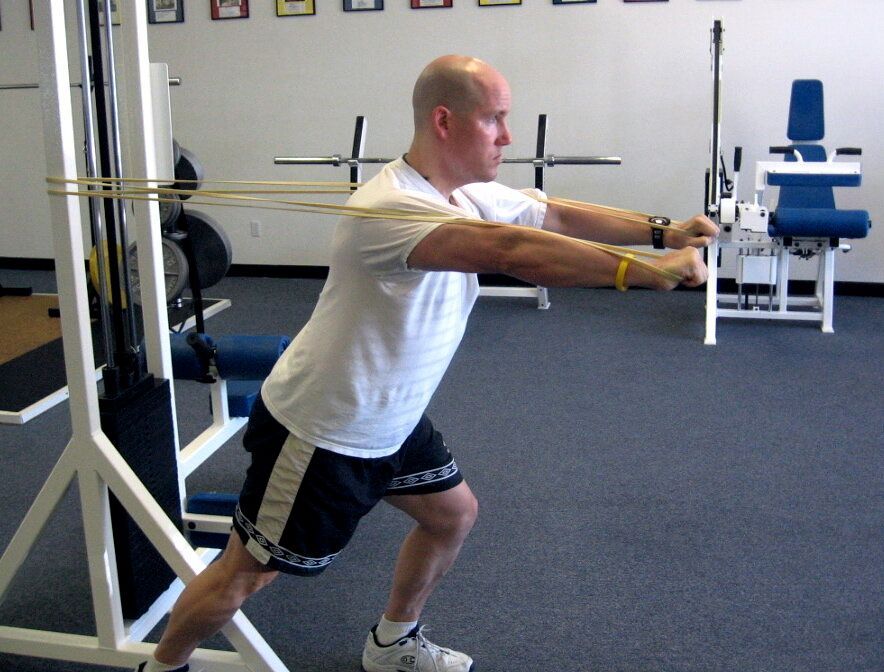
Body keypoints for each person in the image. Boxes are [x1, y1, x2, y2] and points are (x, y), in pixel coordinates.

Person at [135, 54, 717, 672]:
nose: (508, 136)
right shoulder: (389, 208)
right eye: (494, 119)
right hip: (325, 431)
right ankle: (162, 666)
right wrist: (642, 273)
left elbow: (553, 216)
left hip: (394, 417)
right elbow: (518, 251)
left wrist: (665, 231)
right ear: (445, 121)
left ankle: (393, 643)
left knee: (452, 516)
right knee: (244, 577)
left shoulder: (465, 192)